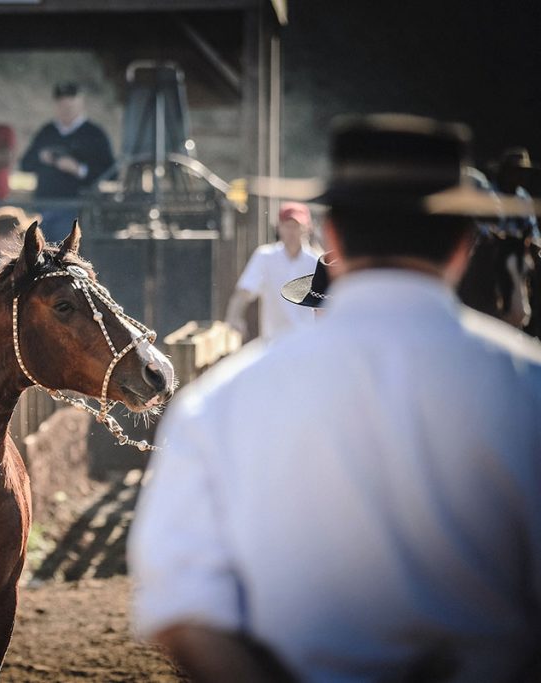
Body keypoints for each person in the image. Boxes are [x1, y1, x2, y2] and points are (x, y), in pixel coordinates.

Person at [129, 113, 541, 681]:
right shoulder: (527, 387)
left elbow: (180, 604)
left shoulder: (218, 402)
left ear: (334, 236)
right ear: (463, 245)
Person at [20, 81, 115, 240]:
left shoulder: (94, 134)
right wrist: (42, 157)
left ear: (81, 103)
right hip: (44, 207)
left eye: (70, 105)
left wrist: (79, 169)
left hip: (76, 209)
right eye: (62, 105)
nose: (66, 109)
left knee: (63, 251)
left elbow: (111, 173)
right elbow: (25, 164)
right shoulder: (47, 131)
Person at [225, 202, 320, 341]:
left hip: (308, 343)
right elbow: (244, 291)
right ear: (279, 227)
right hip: (274, 342)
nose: (291, 231)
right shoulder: (265, 257)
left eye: (296, 226)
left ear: (307, 228)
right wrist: (234, 318)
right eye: (287, 225)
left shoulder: (317, 262)